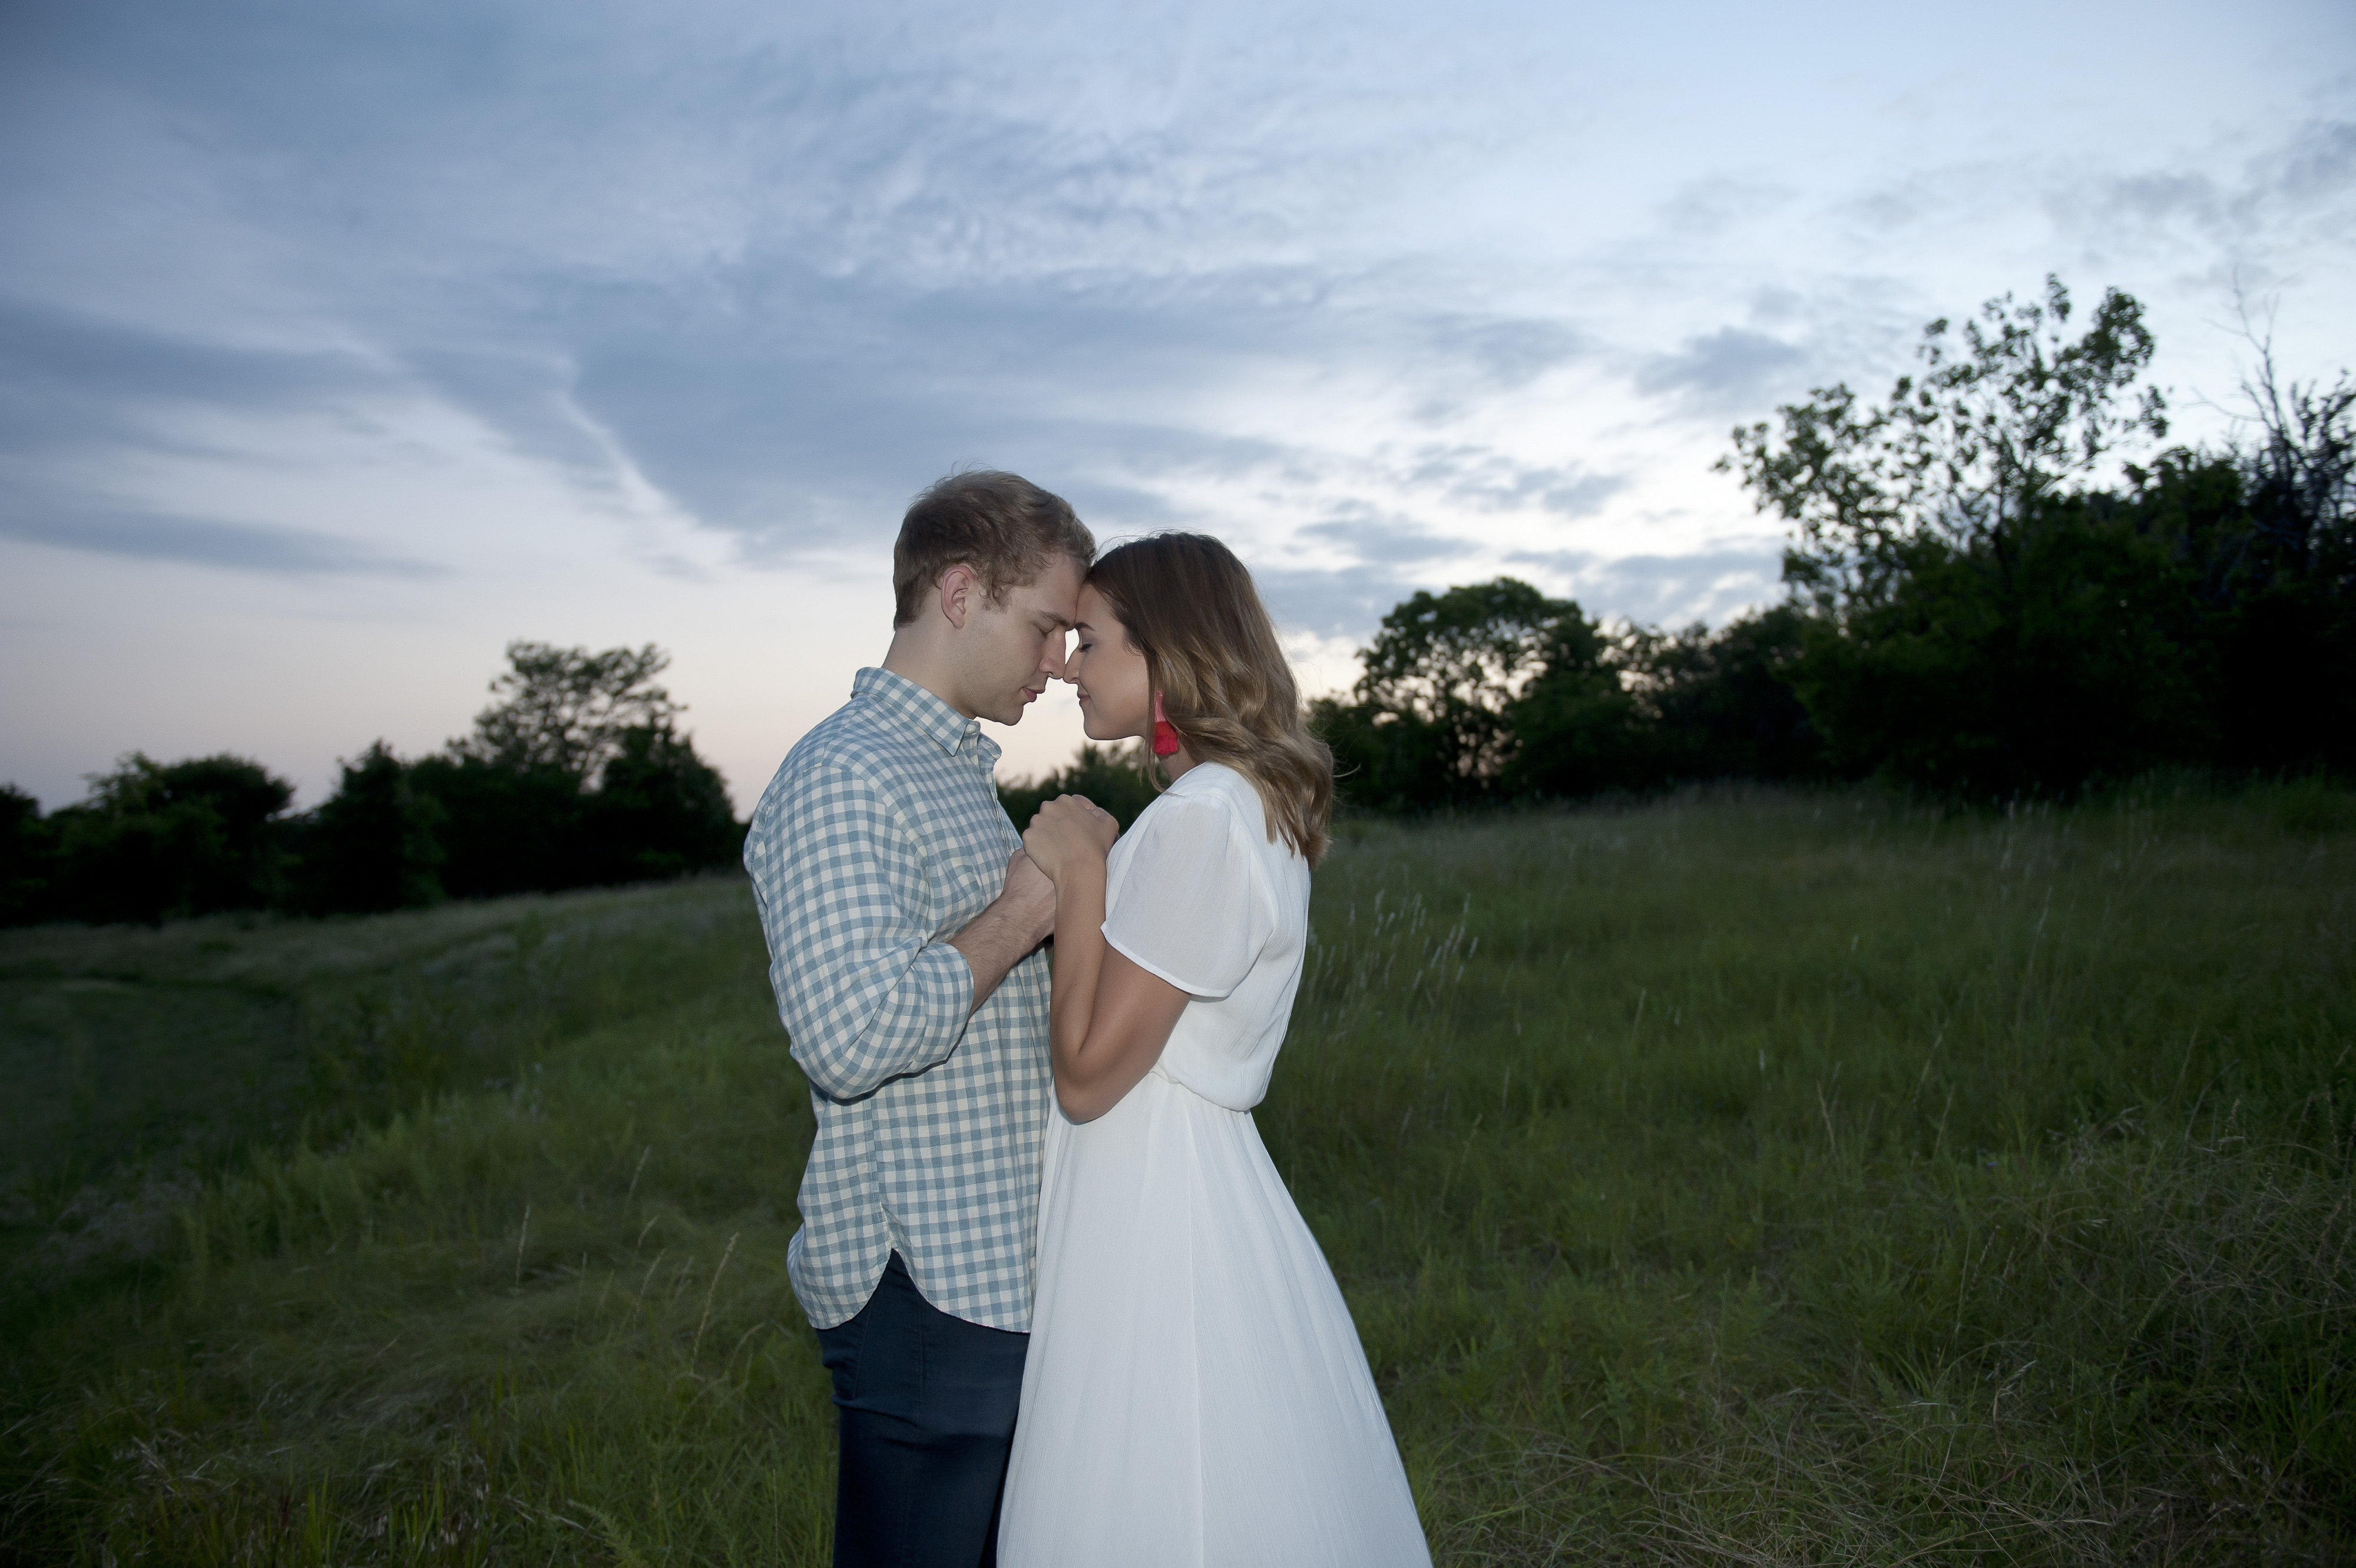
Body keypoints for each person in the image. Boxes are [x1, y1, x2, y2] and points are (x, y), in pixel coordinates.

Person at [997, 533, 1431, 1566]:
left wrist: (1079, 866)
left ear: (1167, 653)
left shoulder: (1203, 820)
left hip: (1156, 1200)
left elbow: (1092, 1076)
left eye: (1090, 641)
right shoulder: (1239, 806)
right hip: (1172, 1183)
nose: (1065, 665)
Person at [743, 470, 1093, 1568]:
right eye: (1045, 627)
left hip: (994, 1276)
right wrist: (1021, 911)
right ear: (959, 591)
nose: (1059, 662)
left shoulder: (946, 773)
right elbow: (849, 1038)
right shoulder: (844, 774)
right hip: (926, 1290)